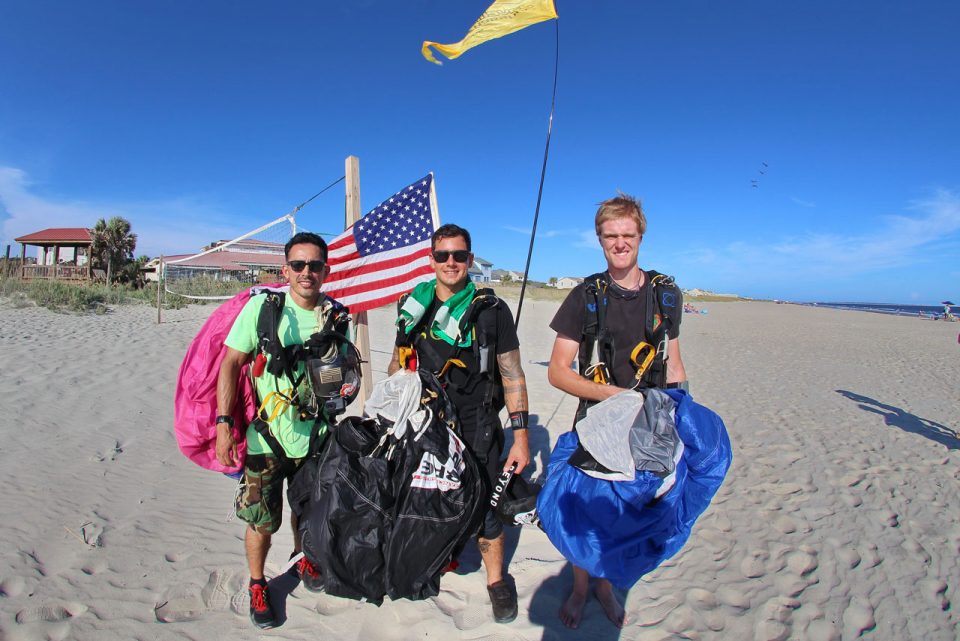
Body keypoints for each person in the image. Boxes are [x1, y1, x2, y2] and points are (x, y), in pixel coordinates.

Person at [546, 193, 688, 629]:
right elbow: (557, 371)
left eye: (628, 235)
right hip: (597, 423)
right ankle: (581, 586)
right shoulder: (585, 296)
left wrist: (684, 416)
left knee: (631, 511)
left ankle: (605, 586)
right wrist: (612, 396)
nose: (620, 243)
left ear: (640, 236)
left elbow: (675, 364)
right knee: (588, 513)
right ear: (599, 239)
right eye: (611, 235)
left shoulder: (667, 293)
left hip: (651, 425)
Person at [388, 223, 530, 624]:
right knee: (428, 499)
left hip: (477, 423)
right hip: (425, 423)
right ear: (430, 259)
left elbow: (513, 375)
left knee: (485, 506)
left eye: (459, 255)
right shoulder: (411, 305)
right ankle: (440, 557)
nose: (451, 263)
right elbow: (399, 363)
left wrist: (521, 439)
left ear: (470, 259)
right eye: (442, 255)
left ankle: (497, 581)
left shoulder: (492, 311)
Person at [215, 231, 346, 629]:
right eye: (299, 265)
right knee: (260, 519)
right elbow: (231, 363)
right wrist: (224, 424)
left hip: (317, 440)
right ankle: (258, 584)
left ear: (326, 269)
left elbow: (341, 375)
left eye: (316, 265)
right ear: (285, 269)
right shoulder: (263, 311)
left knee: (308, 513)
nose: (307, 273)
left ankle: (303, 557)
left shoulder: (337, 316)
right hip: (266, 439)